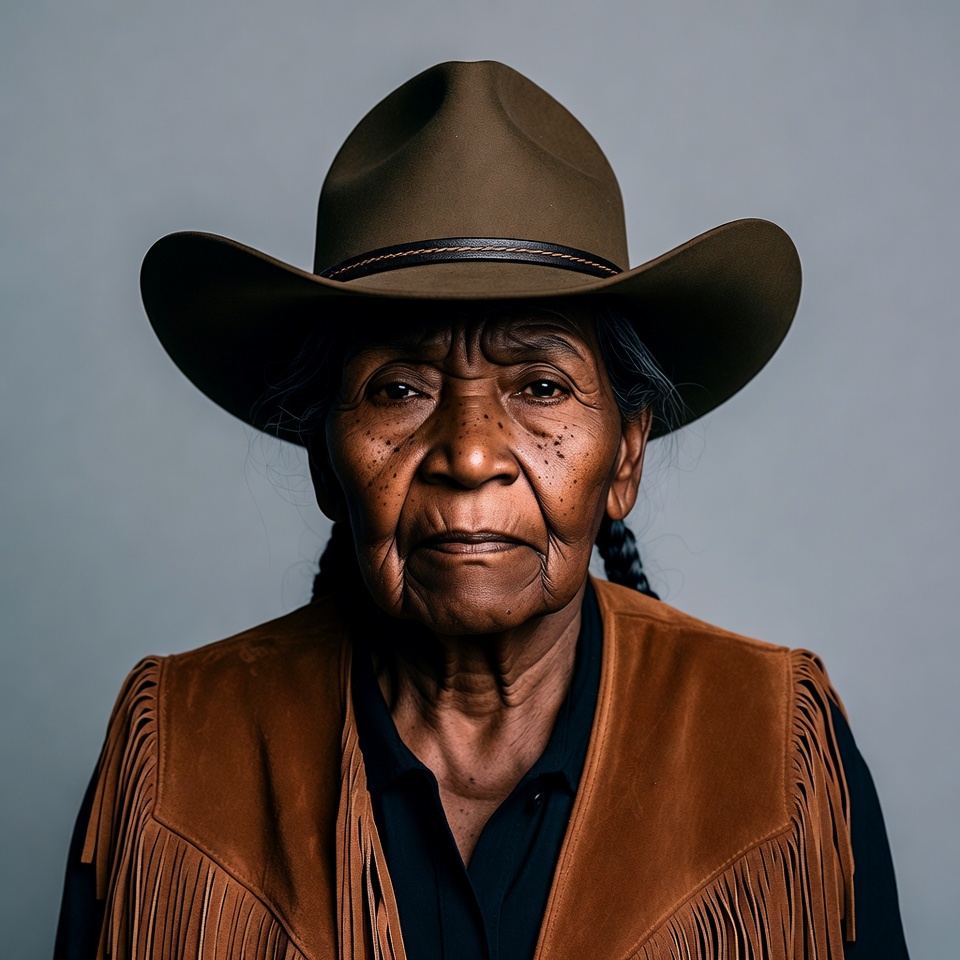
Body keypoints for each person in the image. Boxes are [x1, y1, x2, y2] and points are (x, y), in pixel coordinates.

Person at [55, 61, 908, 959]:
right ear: (321, 457)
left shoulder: (776, 755)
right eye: (399, 388)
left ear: (625, 455)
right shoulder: (178, 757)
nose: (468, 454)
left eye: (540, 385)